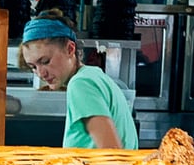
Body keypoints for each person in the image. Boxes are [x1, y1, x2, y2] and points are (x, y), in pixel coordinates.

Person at [20, 10, 138, 150]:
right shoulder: (94, 75)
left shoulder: (81, 84)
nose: (40, 73)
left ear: (70, 49)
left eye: (45, 61)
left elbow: (110, 152)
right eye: (33, 67)